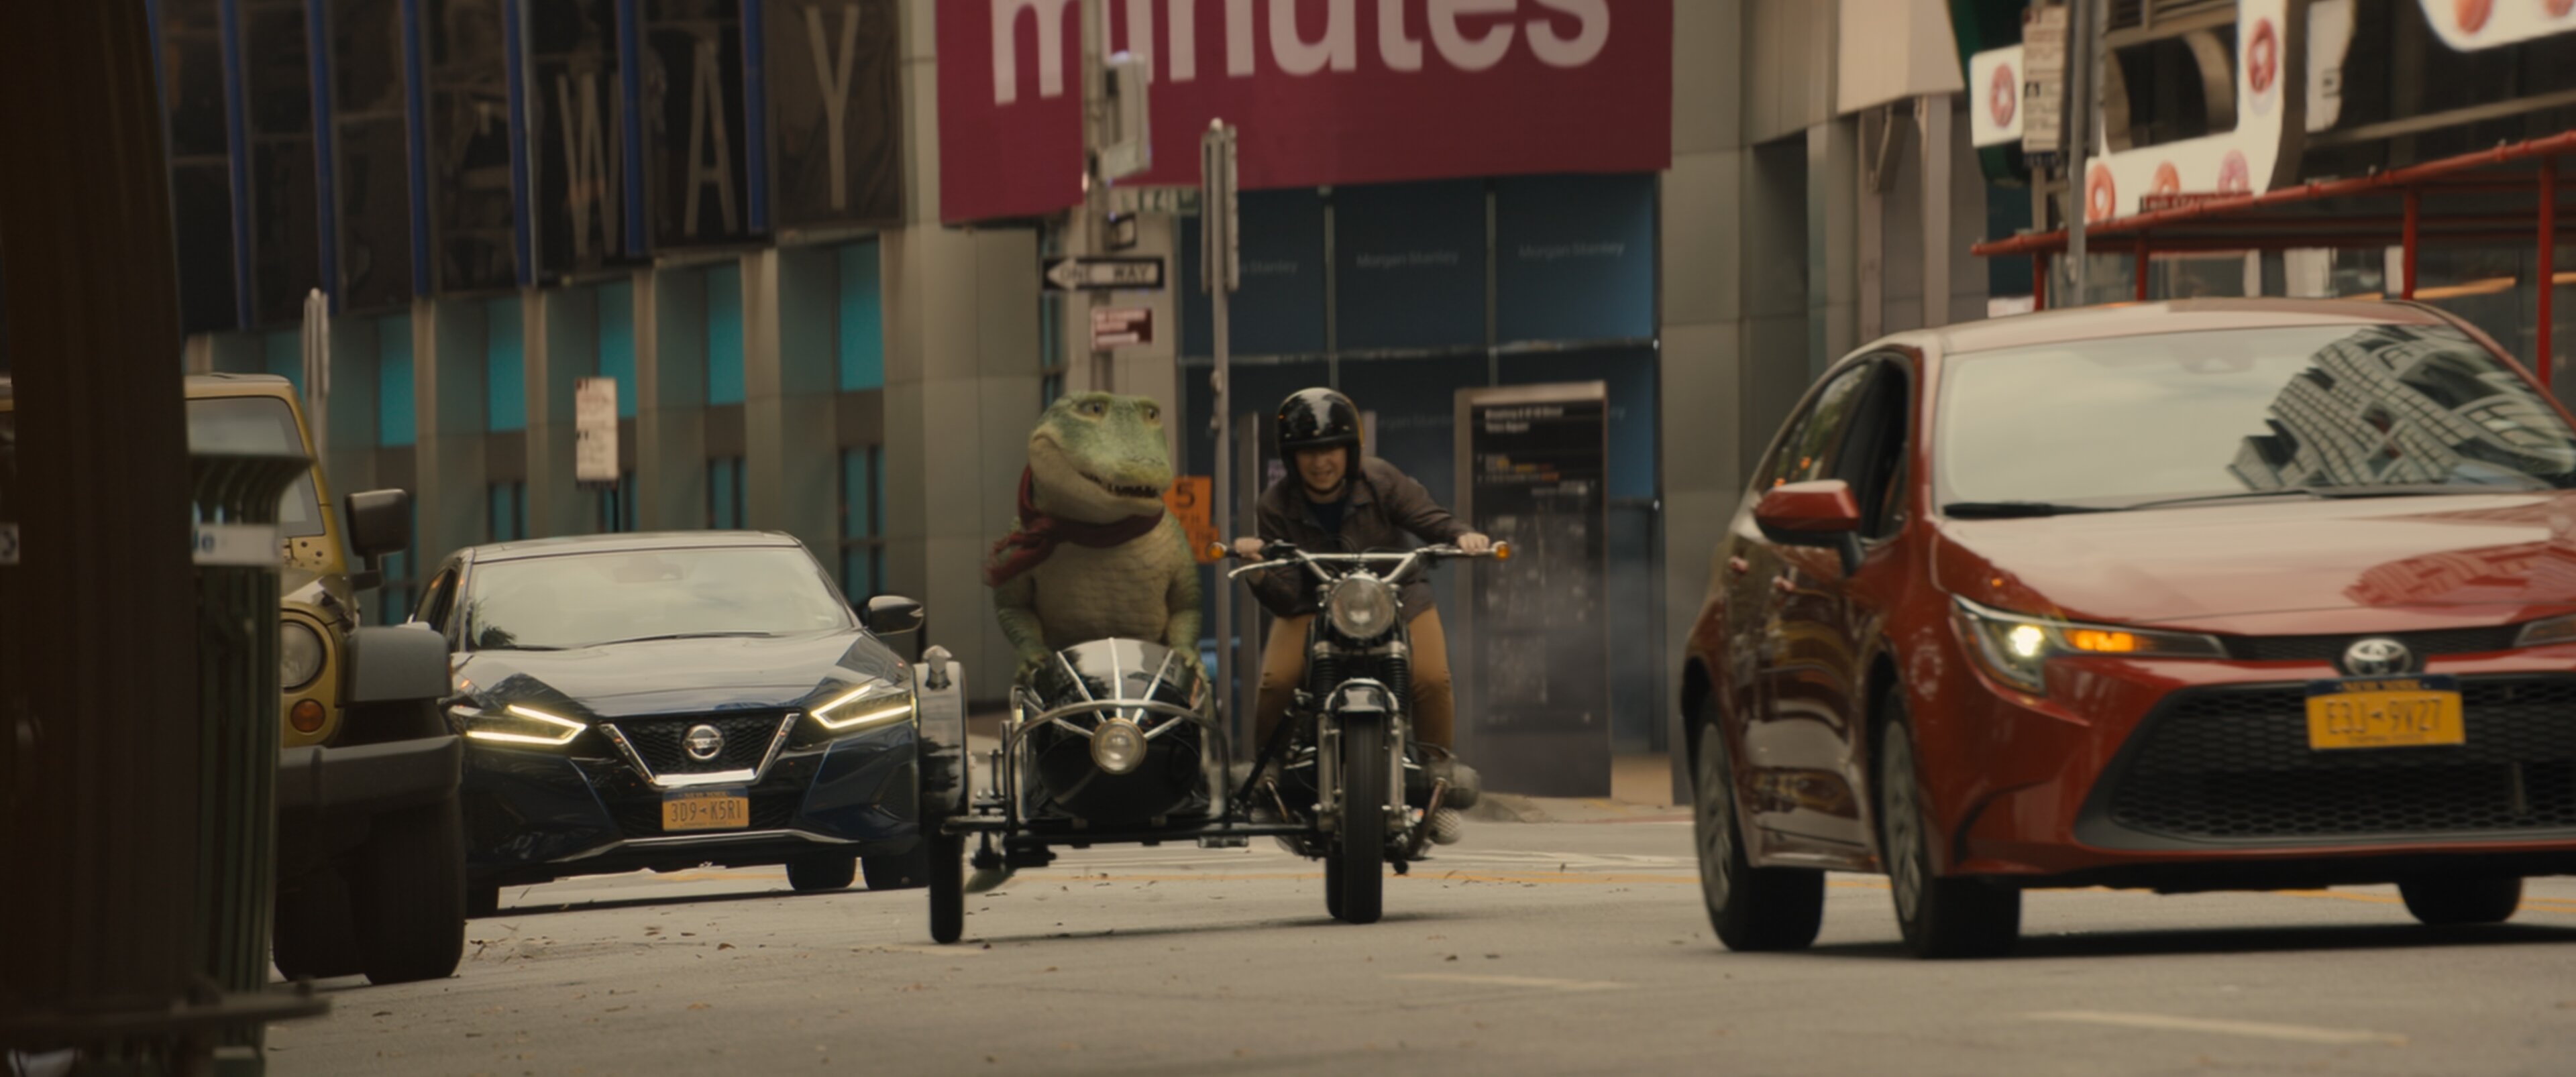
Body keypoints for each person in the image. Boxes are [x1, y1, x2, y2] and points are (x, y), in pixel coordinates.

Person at [1233, 388, 1490, 758]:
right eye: (1308, 452)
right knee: (1277, 682)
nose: (1320, 462)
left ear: (1351, 450)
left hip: (1397, 595)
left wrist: (1462, 535)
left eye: (1331, 449)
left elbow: (1428, 517)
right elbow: (1286, 596)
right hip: (1313, 602)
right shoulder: (1274, 505)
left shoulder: (1381, 479)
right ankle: (1269, 771)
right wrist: (1256, 571)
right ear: (1291, 457)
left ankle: (1438, 771)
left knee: (1432, 680)